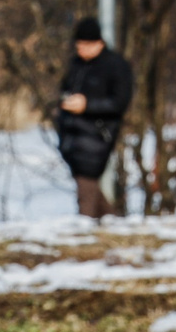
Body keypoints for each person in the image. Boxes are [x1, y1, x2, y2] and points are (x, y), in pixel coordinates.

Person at [56, 17, 133, 219]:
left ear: (98, 43)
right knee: (89, 189)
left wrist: (87, 105)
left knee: (86, 188)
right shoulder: (77, 65)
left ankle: (85, 230)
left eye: (85, 44)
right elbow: (64, 89)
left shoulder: (115, 65)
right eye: (78, 44)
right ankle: (114, 225)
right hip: (73, 136)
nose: (81, 49)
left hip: (97, 137)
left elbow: (119, 102)